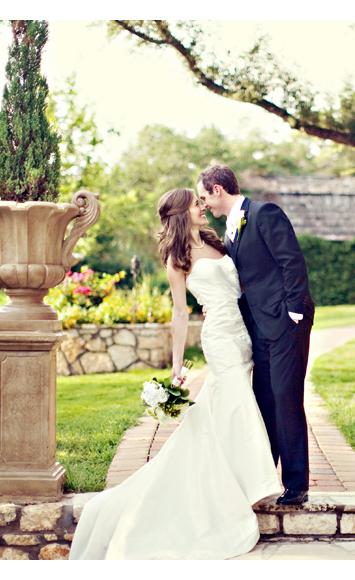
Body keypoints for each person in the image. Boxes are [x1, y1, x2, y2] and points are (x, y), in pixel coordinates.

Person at [69, 188, 281, 560]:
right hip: (219, 338)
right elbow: (181, 313)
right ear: (181, 213)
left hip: (244, 333)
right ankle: (256, 484)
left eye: (202, 202)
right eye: (196, 204)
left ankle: (227, 480)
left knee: (221, 410)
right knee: (237, 402)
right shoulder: (177, 258)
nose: (203, 208)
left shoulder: (219, 242)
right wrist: (176, 364)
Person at [196, 165, 314, 506]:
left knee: (286, 397)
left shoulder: (265, 213)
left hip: (284, 323)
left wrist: (293, 313)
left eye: (205, 197)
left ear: (218, 189)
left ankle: (296, 484)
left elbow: (292, 262)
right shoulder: (231, 230)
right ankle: (265, 475)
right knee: (264, 400)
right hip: (257, 328)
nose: (205, 206)